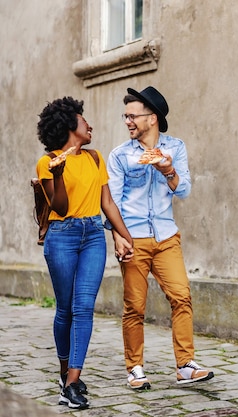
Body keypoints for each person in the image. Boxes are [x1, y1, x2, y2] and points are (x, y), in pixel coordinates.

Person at [107, 86, 213, 389]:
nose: (127, 121)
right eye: (125, 116)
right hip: (134, 238)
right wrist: (118, 237)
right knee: (134, 307)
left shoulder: (175, 148)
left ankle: (185, 366)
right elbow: (112, 202)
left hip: (166, 237)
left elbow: (184, 190)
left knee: (181, 297)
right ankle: (135, 368)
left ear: (151, 118)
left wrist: (168, 170)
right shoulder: (120, 156)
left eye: (132, 116)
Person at [36, 97, 134, 409]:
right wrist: (60, 174)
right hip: (62, 236)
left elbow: (107, 203)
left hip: (93, 235)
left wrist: (125, 235)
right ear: (68, 126)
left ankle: (73, 381)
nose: (89, 125)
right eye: (82, 120)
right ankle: (65, 373)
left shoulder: (94, 158)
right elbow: (60, 208)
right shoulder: (47, 162)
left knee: (83, 308)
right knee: (65, 309)